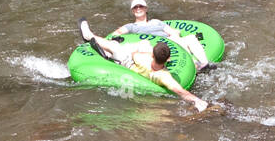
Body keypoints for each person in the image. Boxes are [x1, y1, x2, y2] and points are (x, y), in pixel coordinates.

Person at [79, 18, 209, 112]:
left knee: (115, 46)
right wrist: (198, 101)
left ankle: (90, 36)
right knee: (131, 46)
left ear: (153, 54)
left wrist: (142, 50)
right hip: (134, 67)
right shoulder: (164, 76)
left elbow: (134, 54)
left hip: (128, 61)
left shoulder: (144, 57)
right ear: (168, 59)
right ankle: (107, 52)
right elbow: (181, 92)